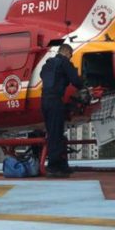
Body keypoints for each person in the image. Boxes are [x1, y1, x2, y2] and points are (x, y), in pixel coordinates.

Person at [39, 43, 83, 178]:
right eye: (70, 55)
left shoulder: (47, 64)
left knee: (53, 132)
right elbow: (76, 81)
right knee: (56, 134)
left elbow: (42, 76)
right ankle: (54, 166)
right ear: (67, 53)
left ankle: (62, 165)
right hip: (55, 101)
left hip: (44, 101)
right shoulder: (64, 63)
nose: (70, 58)